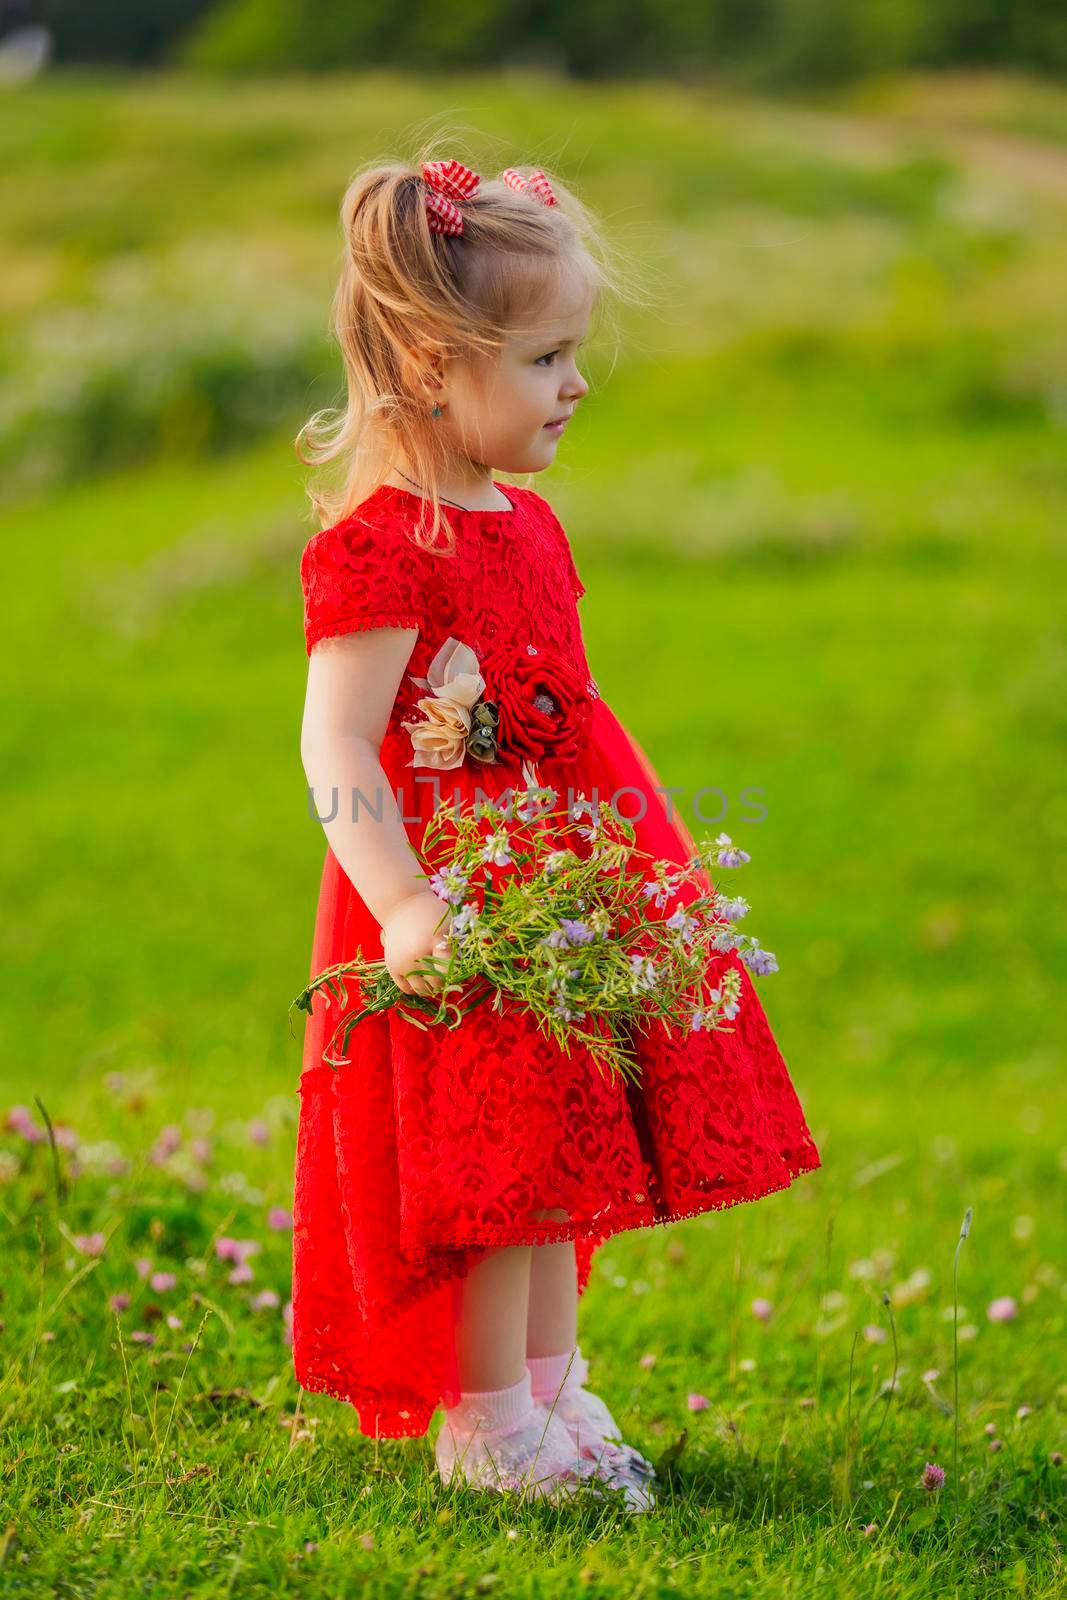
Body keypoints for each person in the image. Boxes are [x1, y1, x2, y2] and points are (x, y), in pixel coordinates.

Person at [293, 152, 821, 1511]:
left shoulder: (526, 520)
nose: (574, 385)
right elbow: (337, 742)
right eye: (543, 358)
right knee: (494, 1170)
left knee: (560, 1152)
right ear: (428, 363)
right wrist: (406, 906)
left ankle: (550, 1389)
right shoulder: (382, 543)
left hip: (562, 891)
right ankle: (485, 1425)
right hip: (459, 900)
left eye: (572, 354)